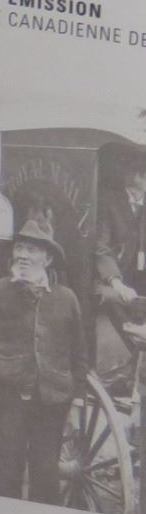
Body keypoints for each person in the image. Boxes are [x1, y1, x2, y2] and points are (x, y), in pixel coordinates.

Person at [0, 217, 87, 503]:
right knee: (7, 477)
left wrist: (76, 406)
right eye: (19, 248)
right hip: (7, 402)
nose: (22, 255)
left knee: (45, 480)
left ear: (48, 259)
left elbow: (79, 358)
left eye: (32, 250)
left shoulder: (66, 299)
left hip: (51, 405)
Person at [91, 152, 146, 390]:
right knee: (116, 298)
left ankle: (135, 369)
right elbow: (101, 247)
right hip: (102, 278)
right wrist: (116, 282)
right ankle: (136, 347)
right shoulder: (109, 203)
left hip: (136, 278)